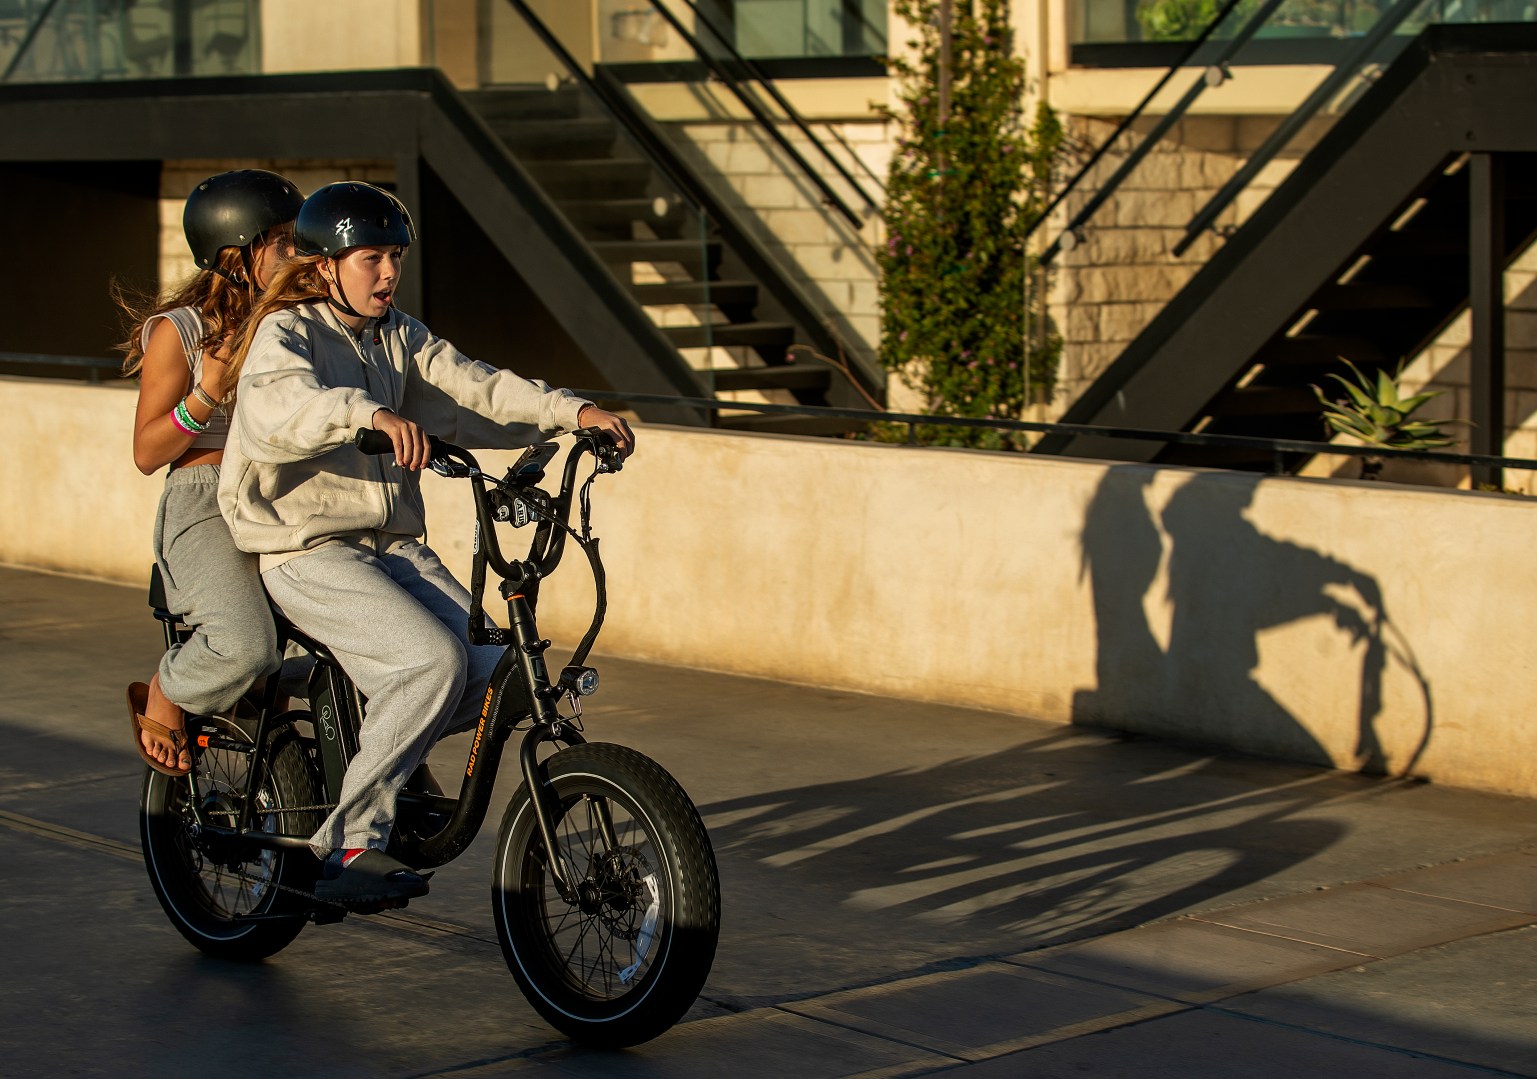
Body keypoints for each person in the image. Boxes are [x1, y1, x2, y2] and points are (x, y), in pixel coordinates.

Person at [218, 181, 634, 905]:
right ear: (325, 267)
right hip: (307, 549)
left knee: (501, 668)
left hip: (392, 548)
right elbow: (282, 410)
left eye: (396, 258)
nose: (387, 273)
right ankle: (347, 843)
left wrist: (574, 411)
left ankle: (380, 753)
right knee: (429, 663)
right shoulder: (285, 336)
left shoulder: (397, 335)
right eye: (372, 257)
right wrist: (368, 413)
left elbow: (475, 386)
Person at [123, 168, 304, 776]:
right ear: (236, 252)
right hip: (204, 502)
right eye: (281, 242)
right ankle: (169, 690)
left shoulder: (299, 322)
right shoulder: (182, 332)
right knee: (248, 645)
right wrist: (206, 392)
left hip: (286, 496)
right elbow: (148, 451)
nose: (297, 254)